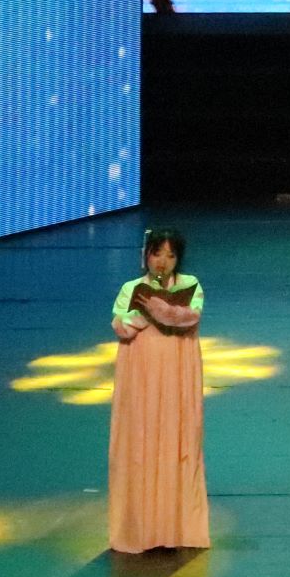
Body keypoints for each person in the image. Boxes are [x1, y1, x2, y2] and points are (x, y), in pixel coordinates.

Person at [108, 226, 210, 555]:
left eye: (170, 255)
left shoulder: (190, 285)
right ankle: (141, 529)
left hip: (177, 373)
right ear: (146, 255)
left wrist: (164, 310)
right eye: (157, 254)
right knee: (141, 441)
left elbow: (190, 317)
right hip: (141, 374)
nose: (162, 262)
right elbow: (121, 327)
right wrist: (145, 310)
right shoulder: (131, 288)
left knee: (175, 439)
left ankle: (175, 527)